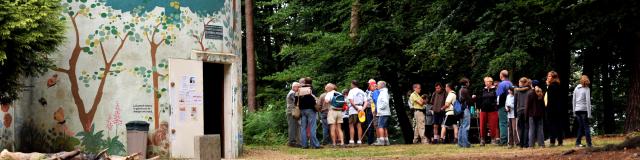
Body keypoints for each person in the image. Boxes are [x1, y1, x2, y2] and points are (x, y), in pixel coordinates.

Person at [296, 78, 320, 149]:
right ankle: (314, 145)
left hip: (302, 110)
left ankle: (304, 145)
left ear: (304, 82)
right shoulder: (311, 89)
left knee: (303, 128)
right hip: (311, 110)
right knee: (312, 127)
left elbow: (296, 101)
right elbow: (314, 100)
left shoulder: (299, 89)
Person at [478, 77, 499, 146]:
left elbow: (497, 99)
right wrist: (479, 107)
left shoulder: (495, 90)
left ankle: (493, 139)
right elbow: (480, 99)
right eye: (485, 82)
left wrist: (495, 105)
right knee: (482, 125)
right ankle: (482, 140)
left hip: (493, 110)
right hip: (483, 110)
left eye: (488, 82)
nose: (486, 83)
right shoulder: (482, 90)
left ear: (491, 82)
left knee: (493, 125)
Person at [545, 71, 564, 146]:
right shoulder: (558, 85)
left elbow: (551, 99)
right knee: (558, 125)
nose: (548, 77)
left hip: (552, 109)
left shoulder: (552, 86)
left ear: (553, 77)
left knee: (552, 124)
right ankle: (560, 141)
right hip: (558, 108)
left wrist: (548, 86)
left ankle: (552, 141)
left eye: (549, 76)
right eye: (548, 76)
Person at [573, 75, 592, 148]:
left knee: (580, 127)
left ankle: (578, 142)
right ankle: (589, 144)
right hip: (584, 110)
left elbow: (573, 100)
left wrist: (574, 111)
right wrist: (589, 114)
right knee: (586, 127)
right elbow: (588, 101)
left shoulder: (576, 88)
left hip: (577, 110)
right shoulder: (587, 89)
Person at [348, 80, 367, 145]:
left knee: (351, 125)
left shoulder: (351, 91)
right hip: (361, 108)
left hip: (353, 109)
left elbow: (351, 101)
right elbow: (366, 101)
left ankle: (352, 140)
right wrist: (363, 109)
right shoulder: (362, 91)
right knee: (359, 125)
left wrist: (356, 108)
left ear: (353, 84)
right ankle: (359, 140)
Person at [497, 70, 513, 146]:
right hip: (510, 105)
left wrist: (497, 105)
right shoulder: (510, 83)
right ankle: (510, 139)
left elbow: (498, 95)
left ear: (502, 75)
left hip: (503, 105)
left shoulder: (501, 84)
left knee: (502, 123)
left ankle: (503, 140)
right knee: (509, 123)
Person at [514, 77, 531, 148]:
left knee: (521, 128)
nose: (518, 84)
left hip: (519, 111)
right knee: (527, 127)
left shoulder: (516, 91)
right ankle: (526, 144)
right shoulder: (529, 91)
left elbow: (515, 102)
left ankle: (521, 144)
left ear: (522, 83)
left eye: (519, 82)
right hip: (527, 111)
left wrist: (515, 112)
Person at [373, 81, 391, 146]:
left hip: (383, 113)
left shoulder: (383, 93)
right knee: (384, 127)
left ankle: (381, 141)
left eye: (377, 84)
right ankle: (386, 141)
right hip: (384, 112)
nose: (376, 85)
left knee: (380, 126)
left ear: (381, 85)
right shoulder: (383, 92)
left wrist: (380, 109)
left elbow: (385, 102)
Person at [286, 82, 301, 147]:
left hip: (293, 111)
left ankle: (295, 141)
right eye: (299, 87)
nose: (299, 89)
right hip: (292, 112)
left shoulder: (292, 92)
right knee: (292, 127)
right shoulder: (292, 93)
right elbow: (296, 101)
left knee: (295, 126)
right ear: (294, 87)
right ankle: (292, 142)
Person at [458, 78, 472, 148]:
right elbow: (469, 101)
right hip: (465, 109)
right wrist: (473, 98)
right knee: (466, 126)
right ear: (466, 83)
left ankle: (460, 143)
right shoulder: (465, 90)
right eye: (468, 82)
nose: (469, 83)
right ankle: (465, 144)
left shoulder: (460, 90)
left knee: (461, 126)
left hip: (461, 110)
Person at [364, 79, 378, 145]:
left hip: (374, 109)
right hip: (369, 109)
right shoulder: (367, 92)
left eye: (369, 84)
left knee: (376, 124)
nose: (368, 85)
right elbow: (365, 101)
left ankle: (378, 139)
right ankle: (370, 141)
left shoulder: (376, 91)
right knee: (369, 125)